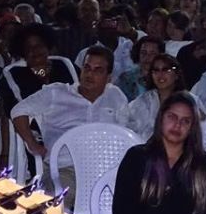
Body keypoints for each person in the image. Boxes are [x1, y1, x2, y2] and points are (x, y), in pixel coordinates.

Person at [11, 45, 129, 195]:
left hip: (104, 171)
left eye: (98, 70)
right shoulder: (56, 92)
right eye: (87, 67)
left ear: (108, 77)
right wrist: (32, 143)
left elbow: (123, 135)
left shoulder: (115, 96)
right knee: (60, 201)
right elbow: (18, 111)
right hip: (64, 168)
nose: (89, 74)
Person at [113, 92, 206, 214]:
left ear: (192, 128)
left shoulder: (202, 162)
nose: (177, 125)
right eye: (172, 117)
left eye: (185, 121)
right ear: (161, 118)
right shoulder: (136, 156)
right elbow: (121, 209)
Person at [128, 54, 206, 140]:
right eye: (156, 70)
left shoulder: (191, 100)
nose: (160, 74)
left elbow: (203, 130)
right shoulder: (144, 100)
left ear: (176, 75)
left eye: (166, 70)